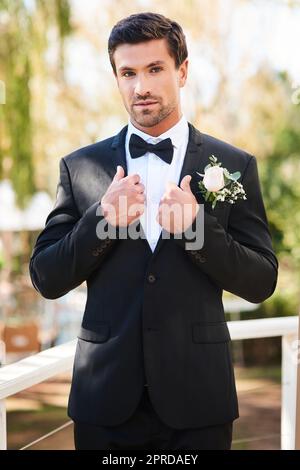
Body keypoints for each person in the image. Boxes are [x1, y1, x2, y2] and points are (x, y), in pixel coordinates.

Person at [29, 12, 278, 450]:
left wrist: (197, 228)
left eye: (154, 69)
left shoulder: (234, 165)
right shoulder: (80, 167)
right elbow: (46, 277)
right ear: (116, 78)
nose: (140, 86)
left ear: (182, 71)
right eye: (128, 73)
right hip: (104, 403)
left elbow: (261, 281)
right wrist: (103, 221)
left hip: (199, 403)